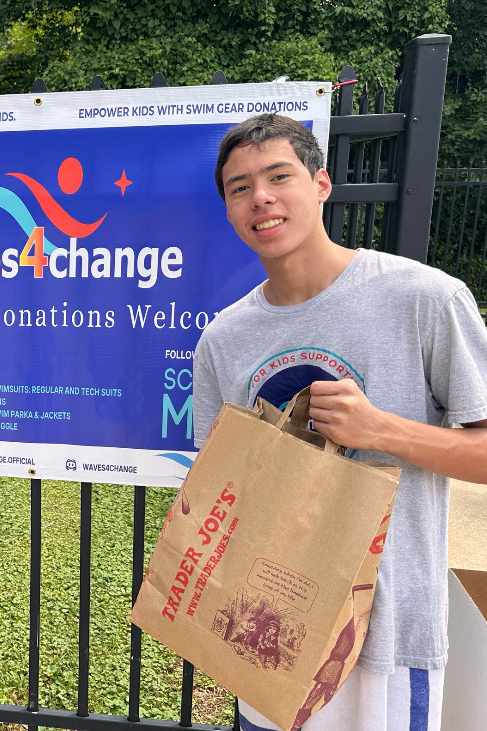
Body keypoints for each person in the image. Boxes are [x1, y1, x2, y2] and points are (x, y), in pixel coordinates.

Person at [193, 113, 487, 731]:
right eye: (240, 187)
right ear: (227, 210)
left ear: (322, 184)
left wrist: (380, 431)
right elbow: (222, 489)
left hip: (385, 637)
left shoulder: (425, 299)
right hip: (270, 630)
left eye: (279, 176)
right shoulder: (225, 337)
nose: (261, 198)